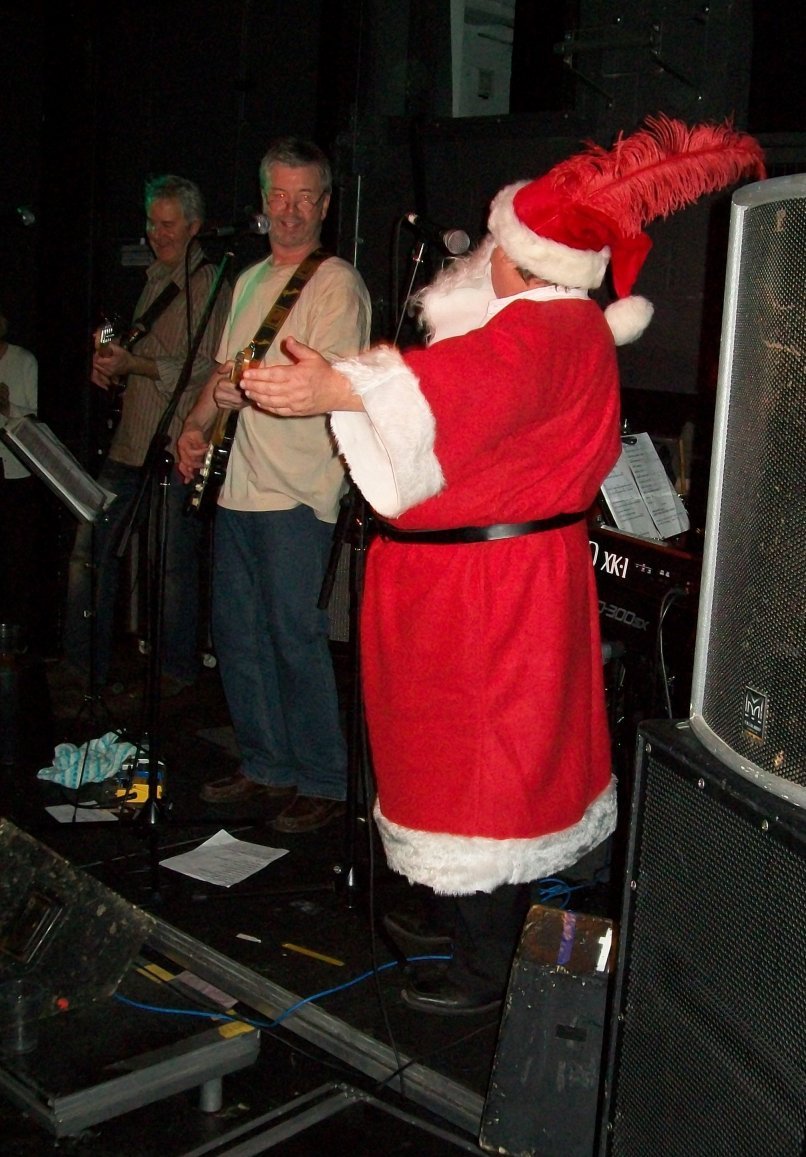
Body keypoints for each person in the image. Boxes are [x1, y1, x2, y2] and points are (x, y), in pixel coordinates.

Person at [239, 115, 766, 1013]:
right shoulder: (562, 328)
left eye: (498, 242)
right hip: (496, 581)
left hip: (488, 595)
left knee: (484, 770)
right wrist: (357, 382)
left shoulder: (542, 333)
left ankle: (484, 966)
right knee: (479, 763)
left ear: (526, 258)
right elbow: (468, 397)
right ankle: (459, 922)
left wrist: (339, 387)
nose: (484, 253)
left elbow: (466, 389)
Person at [177, 136, 371, 834]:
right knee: (238, 633)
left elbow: (331, 389)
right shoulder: (248, 280)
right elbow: (223, 372)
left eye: (304, 197)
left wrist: (244, 393)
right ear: (264, 201)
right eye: (278, 196)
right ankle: (265, 762)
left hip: (298, 493)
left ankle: (322, 776)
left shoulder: (335, 283)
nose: (289, 211)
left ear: (324, 203)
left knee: (295, 635)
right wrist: (194, 428)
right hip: (236, 488)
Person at [58, 174, 232, 699]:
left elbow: (206, 366)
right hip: (130, 441)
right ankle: (82, 668)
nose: (157, 234)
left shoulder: (210, 283)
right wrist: (114, 367)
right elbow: (148, 361)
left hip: (174, 444)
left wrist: (137, 363)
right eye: (152, 223)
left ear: (195, 226)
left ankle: (176, 672)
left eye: (168, 224)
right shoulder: (154, 278)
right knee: (89, 553)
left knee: (173, 567)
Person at [0, 306, 40, 644]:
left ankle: (17, 635)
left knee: (15, 558)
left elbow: (38, 418)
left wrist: (7, 406)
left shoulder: (23, 360)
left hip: (15, 473)